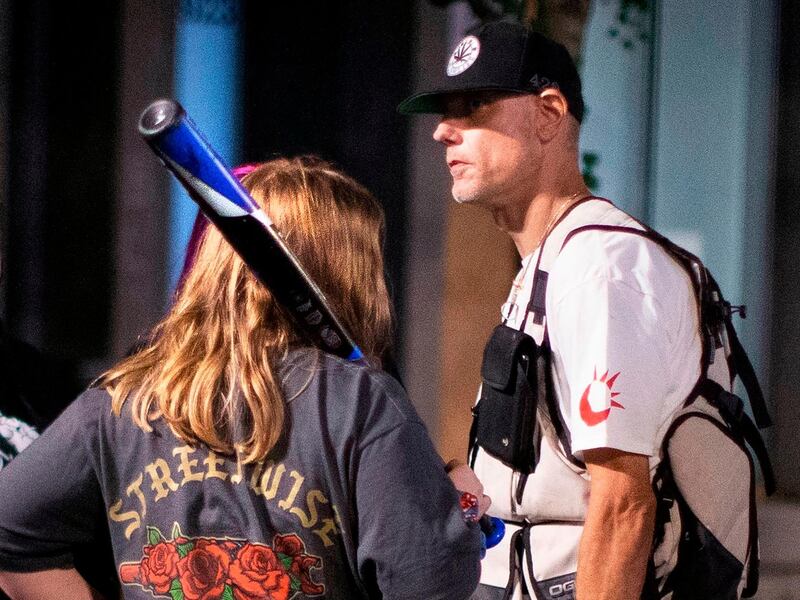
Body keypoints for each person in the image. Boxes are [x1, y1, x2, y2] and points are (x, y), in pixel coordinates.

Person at [0, 156, 483, 600]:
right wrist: (457, 508)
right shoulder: (363, 403)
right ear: (349, 271)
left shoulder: (121, 399)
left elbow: (10, 534)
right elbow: (429, 582)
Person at [399, 22, 703, 599]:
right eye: (444, 112)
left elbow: (621, 507)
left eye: (474, 106)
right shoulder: (553, 260)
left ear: (547, 114)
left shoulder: (601, 267)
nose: (443, 131)